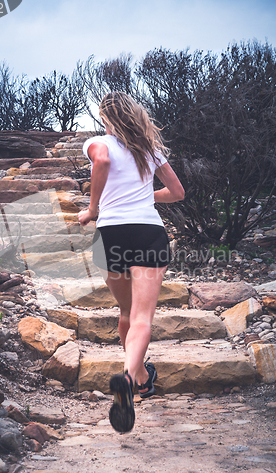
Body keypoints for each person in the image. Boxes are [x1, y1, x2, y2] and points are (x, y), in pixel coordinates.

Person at [78, 92, 185, 433]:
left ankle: (136, 378)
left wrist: (93, 210)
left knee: (125, 313)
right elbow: (178, 192)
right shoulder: (149, 150)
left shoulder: (97, 142)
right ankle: (134, 377)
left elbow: (104, 161)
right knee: (141, 318)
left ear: (106, 118)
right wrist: (142, 195)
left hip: (112, 234)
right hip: (148, 231)